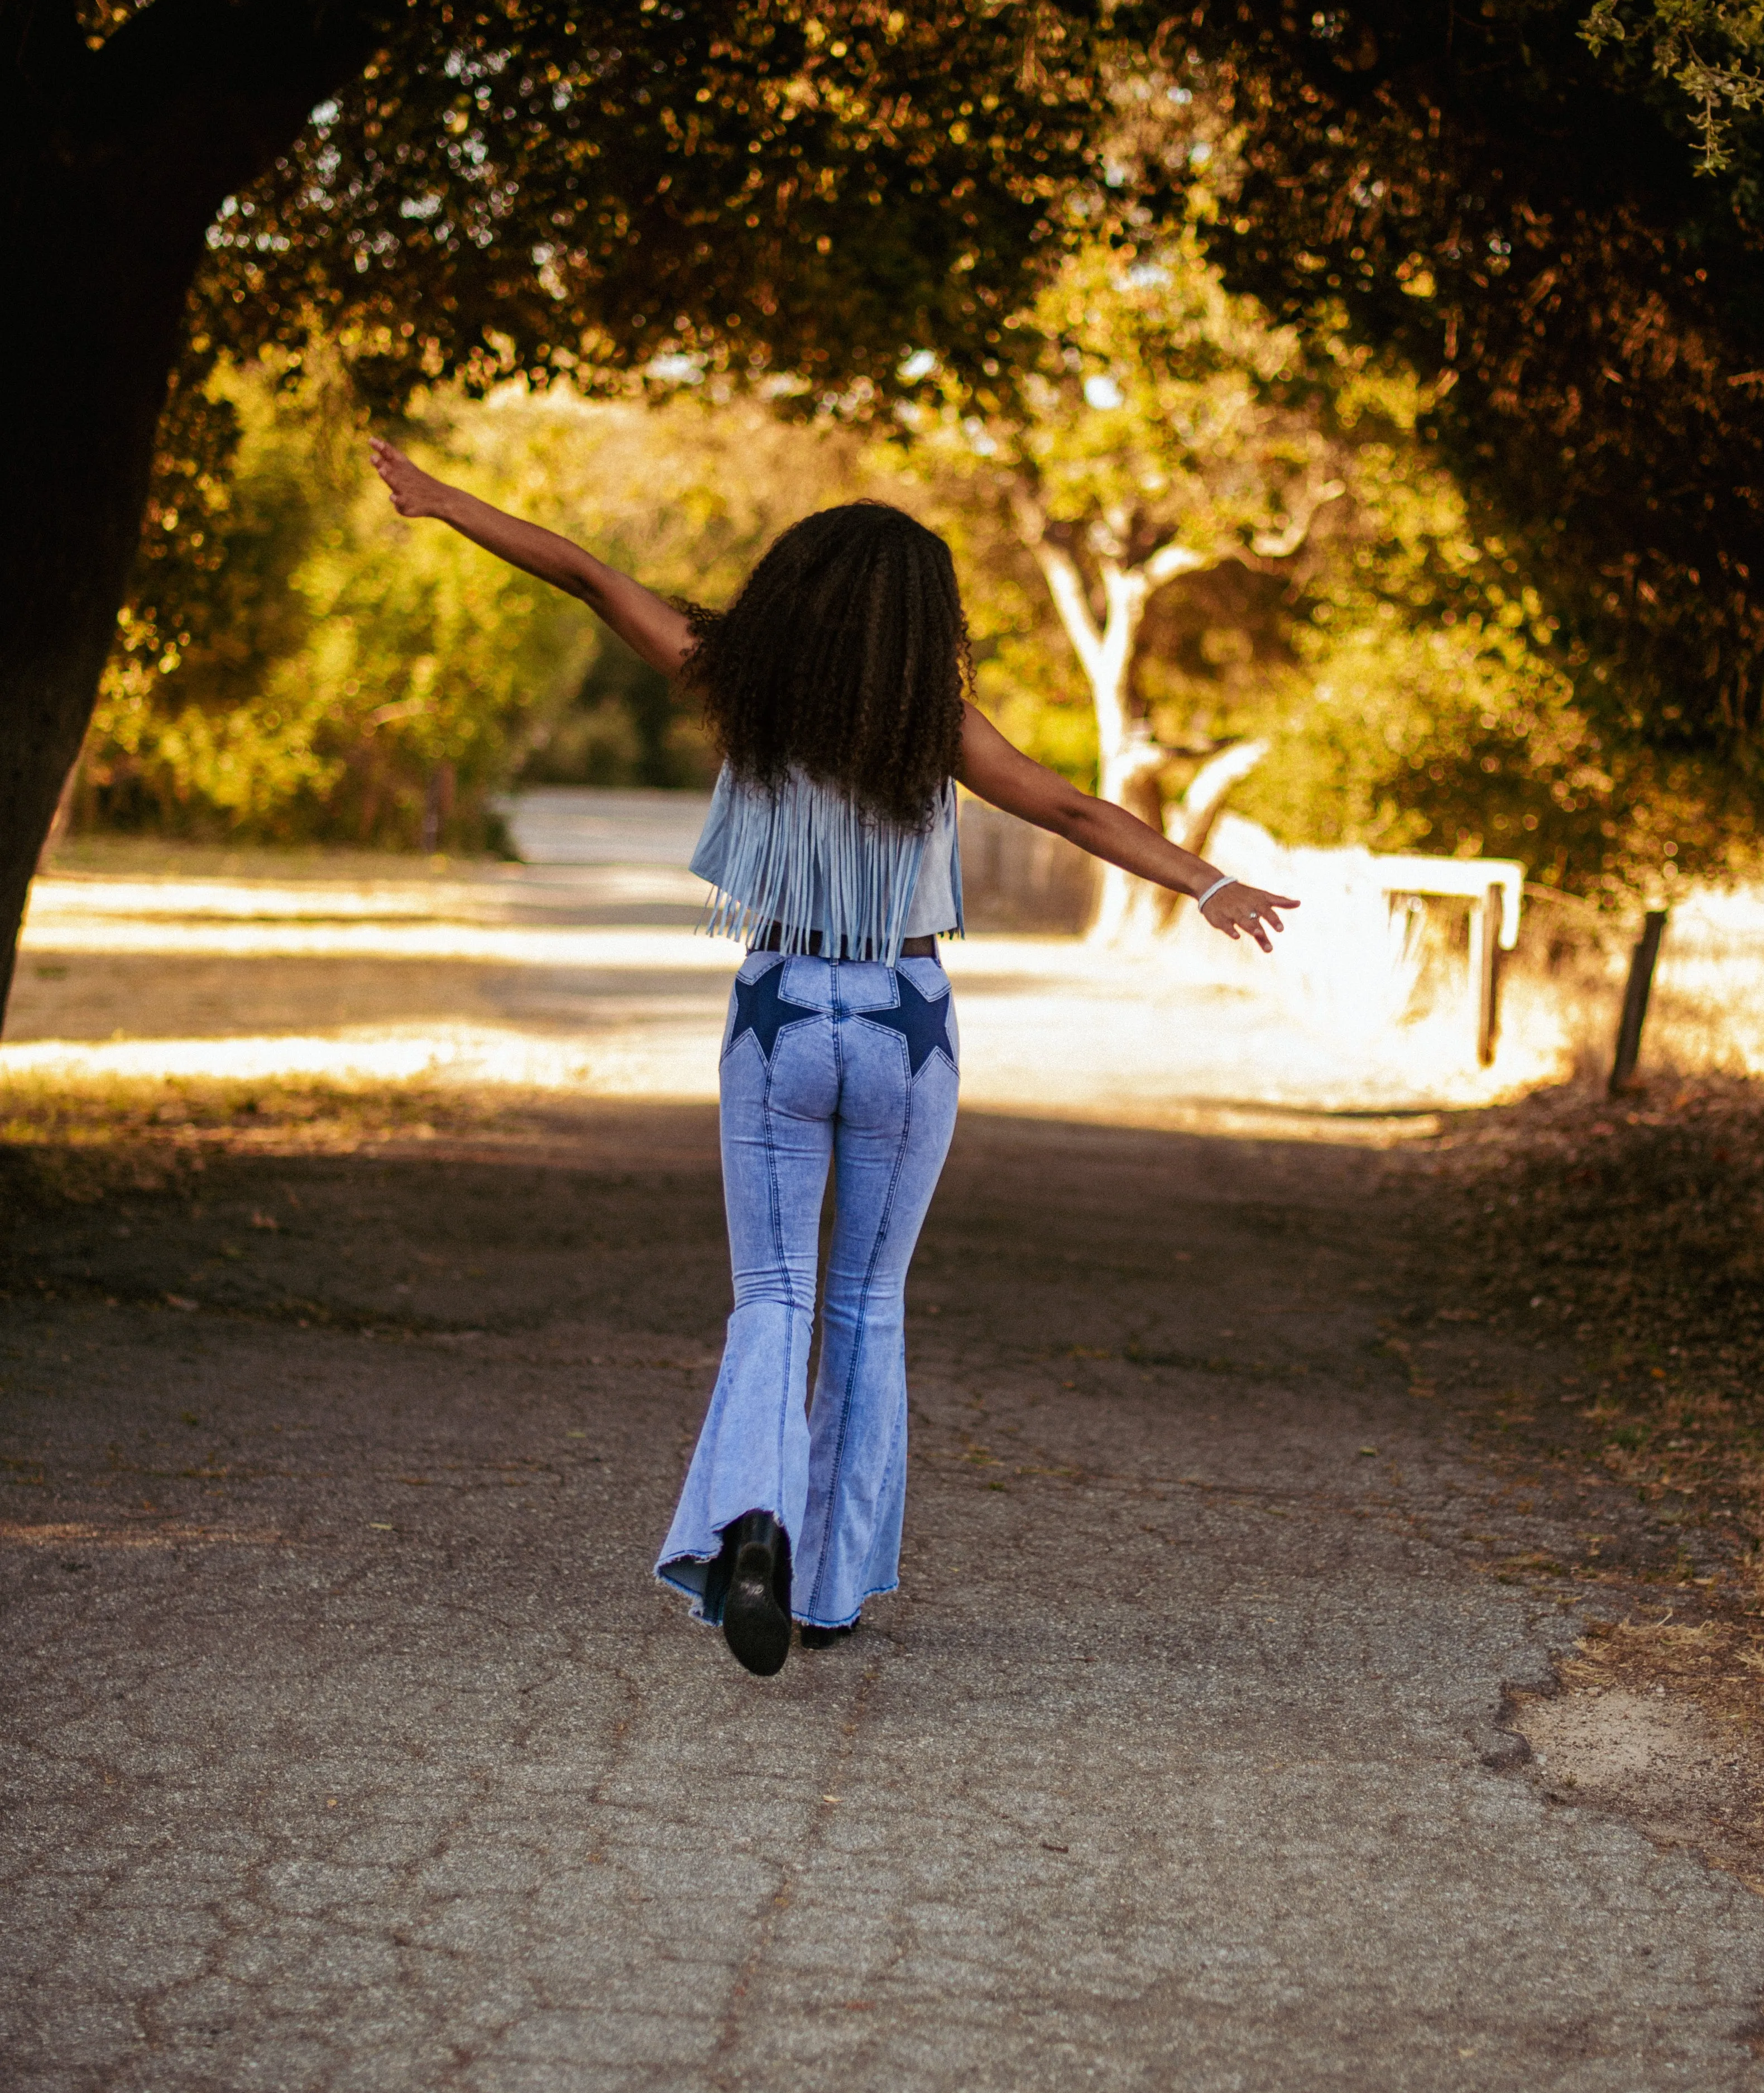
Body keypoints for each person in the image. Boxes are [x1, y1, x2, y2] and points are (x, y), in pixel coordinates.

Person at [369, 444, 1297, 1675]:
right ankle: (833, 1588)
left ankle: (753, 1526)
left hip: (779, 1008)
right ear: (927, 621)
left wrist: (444, 503)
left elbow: (586, 575)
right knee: (864, 1301)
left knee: (774, 1296)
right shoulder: (938, 726)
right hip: (905, 1016)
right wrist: (1207, 881)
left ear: (794, 589)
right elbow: (1072, 808)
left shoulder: (738, 680)